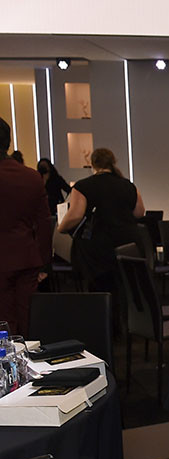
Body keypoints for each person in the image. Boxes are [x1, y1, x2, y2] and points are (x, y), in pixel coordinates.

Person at [57, 148, 145, 293]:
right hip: (129, 242)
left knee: (103, 288)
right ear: (112, 162)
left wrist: (61, 227)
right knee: (125, 287)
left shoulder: (82, 186)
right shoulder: (128, 185)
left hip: (100, 246)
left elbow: (75, 216)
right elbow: (139, 212)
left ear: (92, 164)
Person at [0, 117, 50, 334]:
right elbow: (44, 224)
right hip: (27, 259)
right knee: (26, 322)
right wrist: (44, 263)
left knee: (4, 323)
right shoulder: (31, 177)